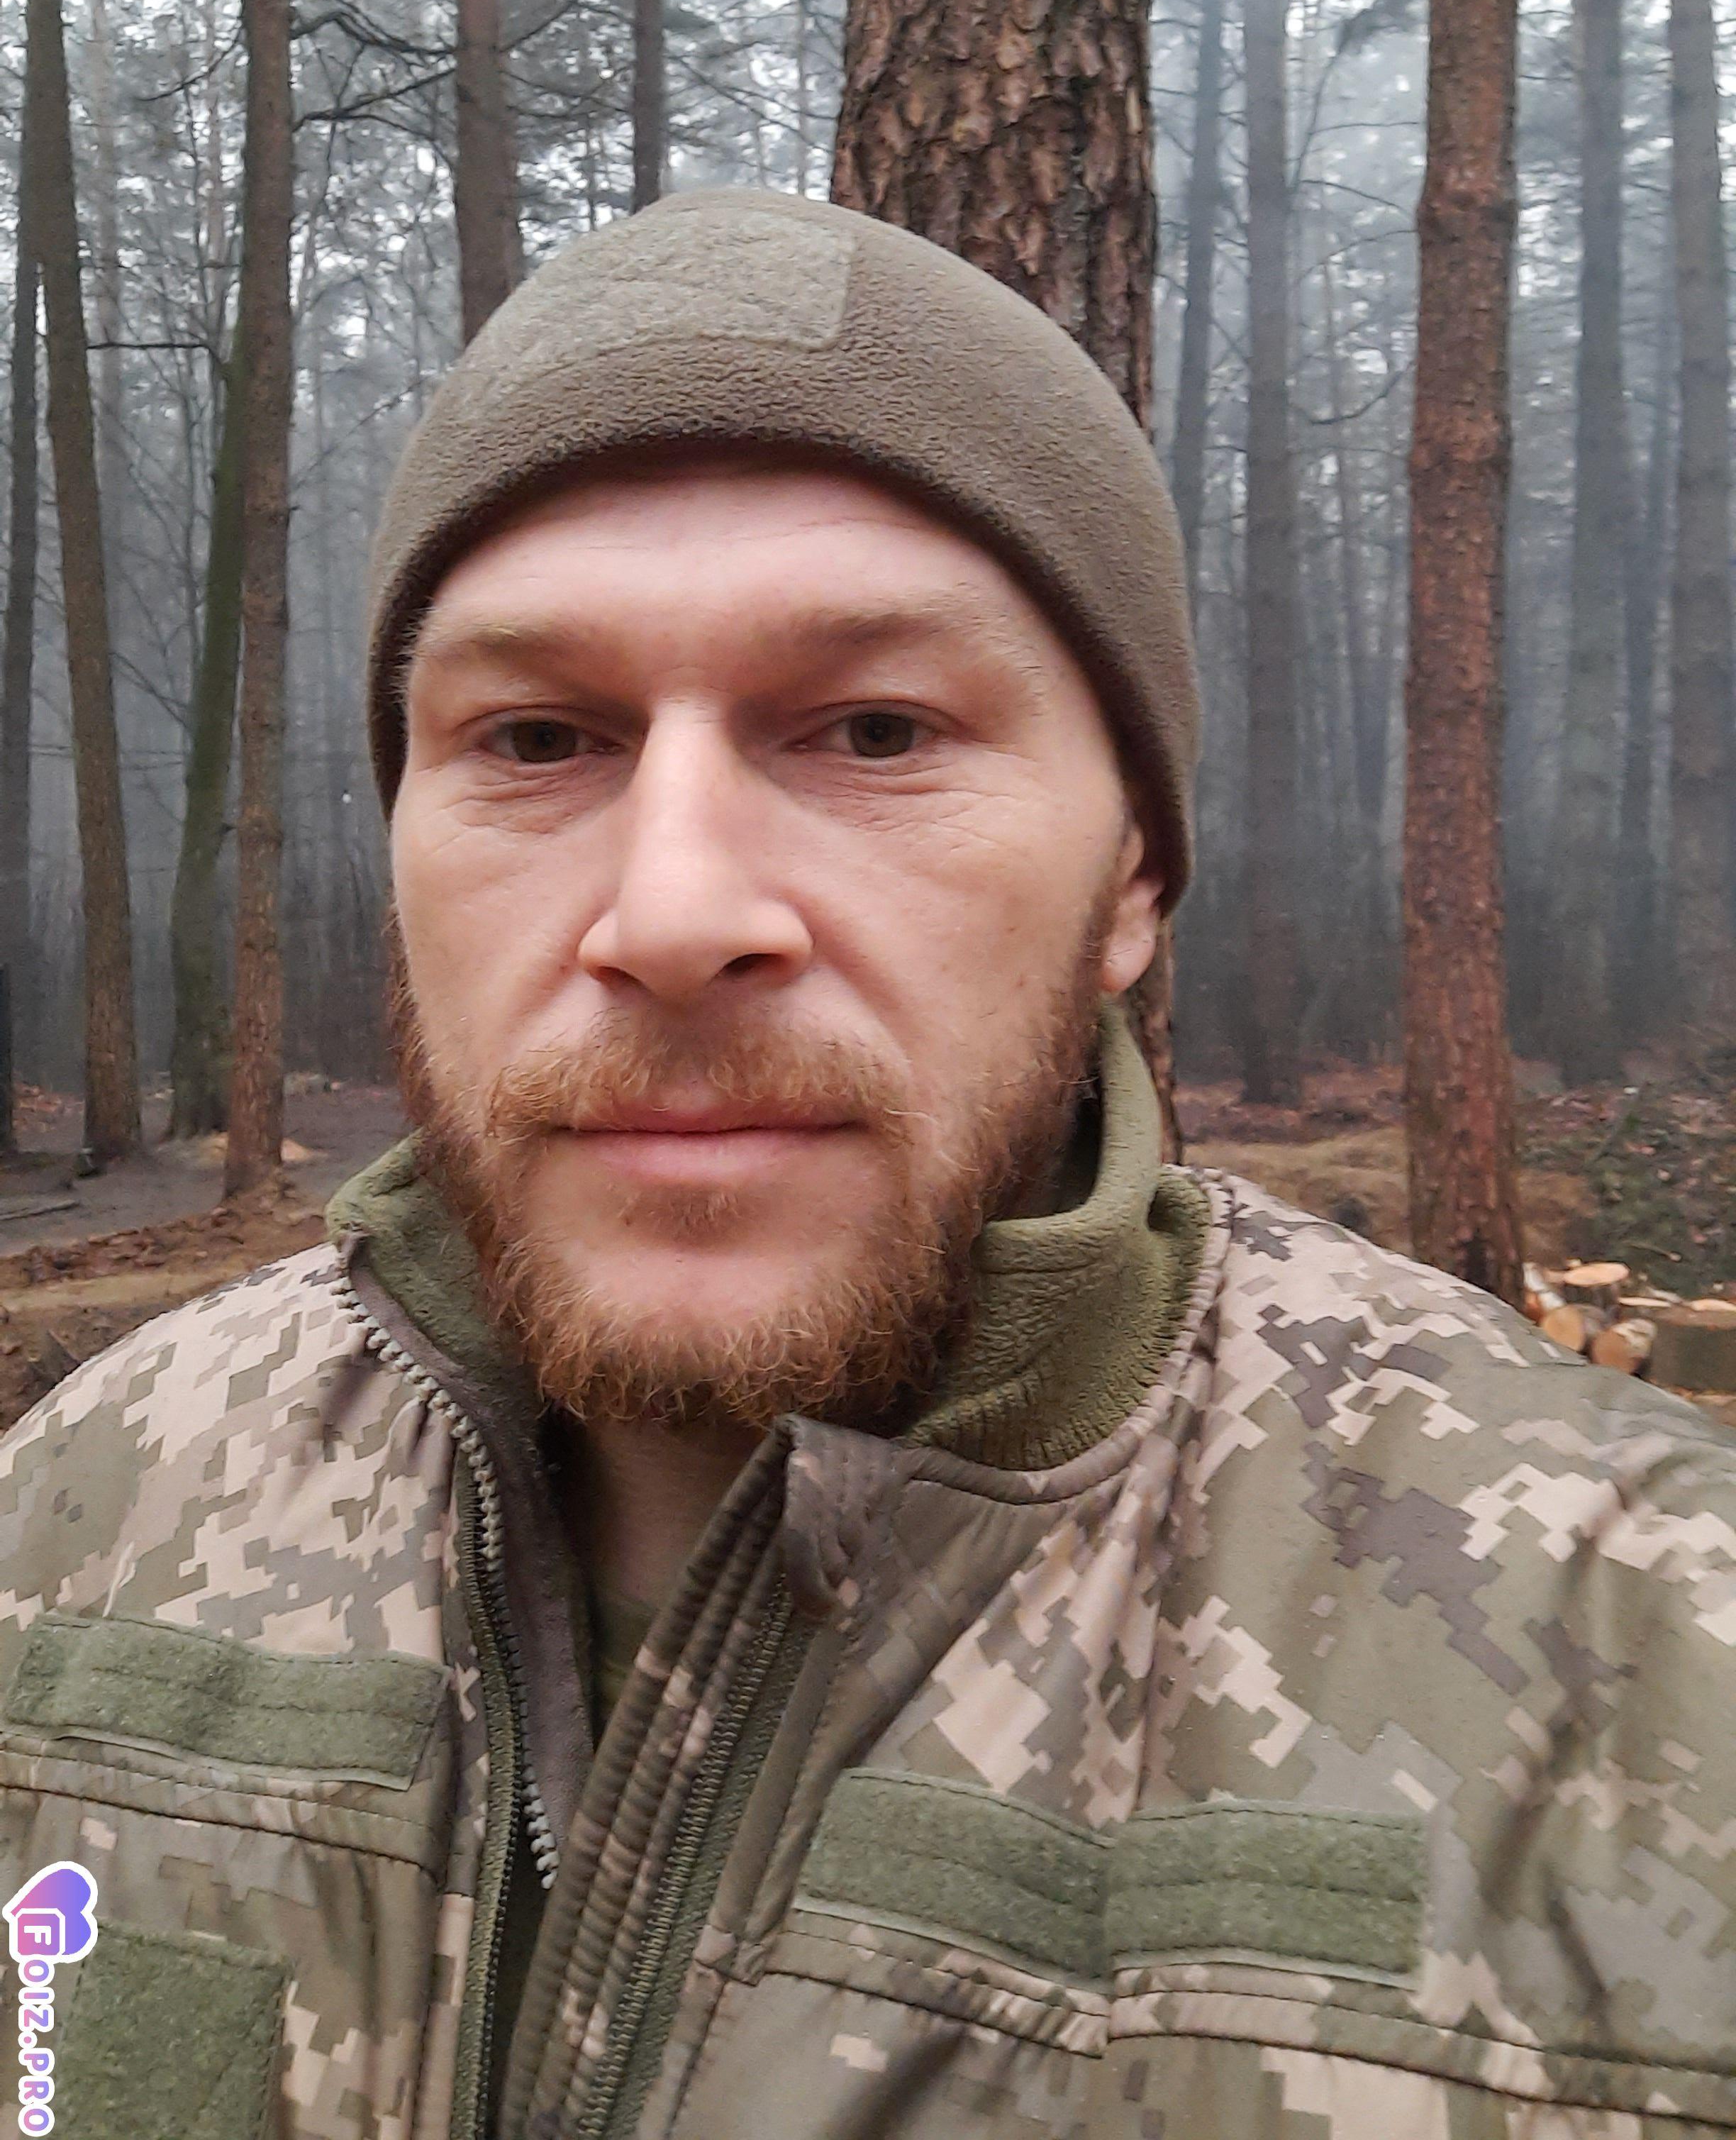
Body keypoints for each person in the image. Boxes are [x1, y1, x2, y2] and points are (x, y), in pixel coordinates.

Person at [0, 190, 1730, 2140]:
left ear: (1132, 878)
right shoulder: (79, 1520)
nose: (674, 914)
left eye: (879, 730)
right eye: (539, 739)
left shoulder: (1648, 1666)